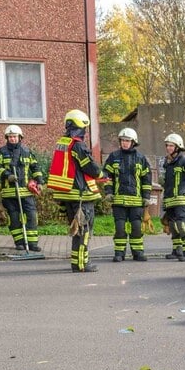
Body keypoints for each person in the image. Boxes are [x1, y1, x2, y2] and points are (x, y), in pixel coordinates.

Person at [49, 109, 103, 272]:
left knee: (76, 229)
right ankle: (81, 264)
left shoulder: (62, 142)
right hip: (80, 194)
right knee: (83, 231)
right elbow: (88, 165)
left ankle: (76, 262)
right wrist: (100, 174)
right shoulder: (77, 144)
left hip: (67, 193)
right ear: (81, 126)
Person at [103, 127, 152, 262]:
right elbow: (107, 176)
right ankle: (119, 253)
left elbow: (146, 178)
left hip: (136, 202)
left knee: (136, 228)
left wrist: (146, 196)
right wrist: (108, 192)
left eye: (127, 140)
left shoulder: (141, 158)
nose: (124, 143)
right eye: (123, 140)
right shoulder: (114, 157)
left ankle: (138, 253)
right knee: (120, 228)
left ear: (133, 142)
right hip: (119, 201)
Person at [0, 125, 43, 251]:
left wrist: (39, 181)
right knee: (14, 219)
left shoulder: (27, 151)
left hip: (26, 193)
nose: (12, 139)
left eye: (15, 136)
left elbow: (35, 167)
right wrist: (7, 175)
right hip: (9, 193)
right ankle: (19, 243)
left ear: (20, 137)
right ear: (7, 138)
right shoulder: (1, 152)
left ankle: (32, 244)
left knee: (31, 216)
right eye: (10, 137)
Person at [160, 133, 185, 261]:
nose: (168, 148)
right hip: (170, 199)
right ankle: (177, 250)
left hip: (180, 198)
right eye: (167, 145)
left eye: (171, 146)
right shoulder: (168, 162)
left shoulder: (184, 161)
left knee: (182, 224)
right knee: (173, 226)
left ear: (178, 147)